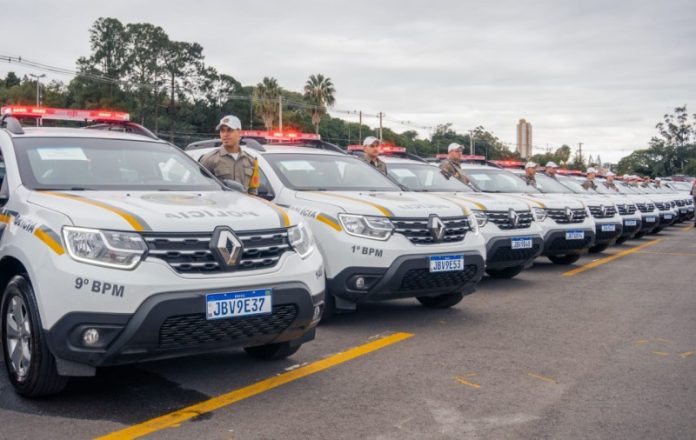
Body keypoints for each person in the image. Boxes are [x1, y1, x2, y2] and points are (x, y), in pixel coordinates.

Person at [199, 115, 259, 195]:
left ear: (239, 132)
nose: (225, 134)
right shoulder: (209, 159)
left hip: (243, 202)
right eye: (222, 131)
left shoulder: (251, 161)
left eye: (229, 130)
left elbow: (253, 192)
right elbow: (200, 189)